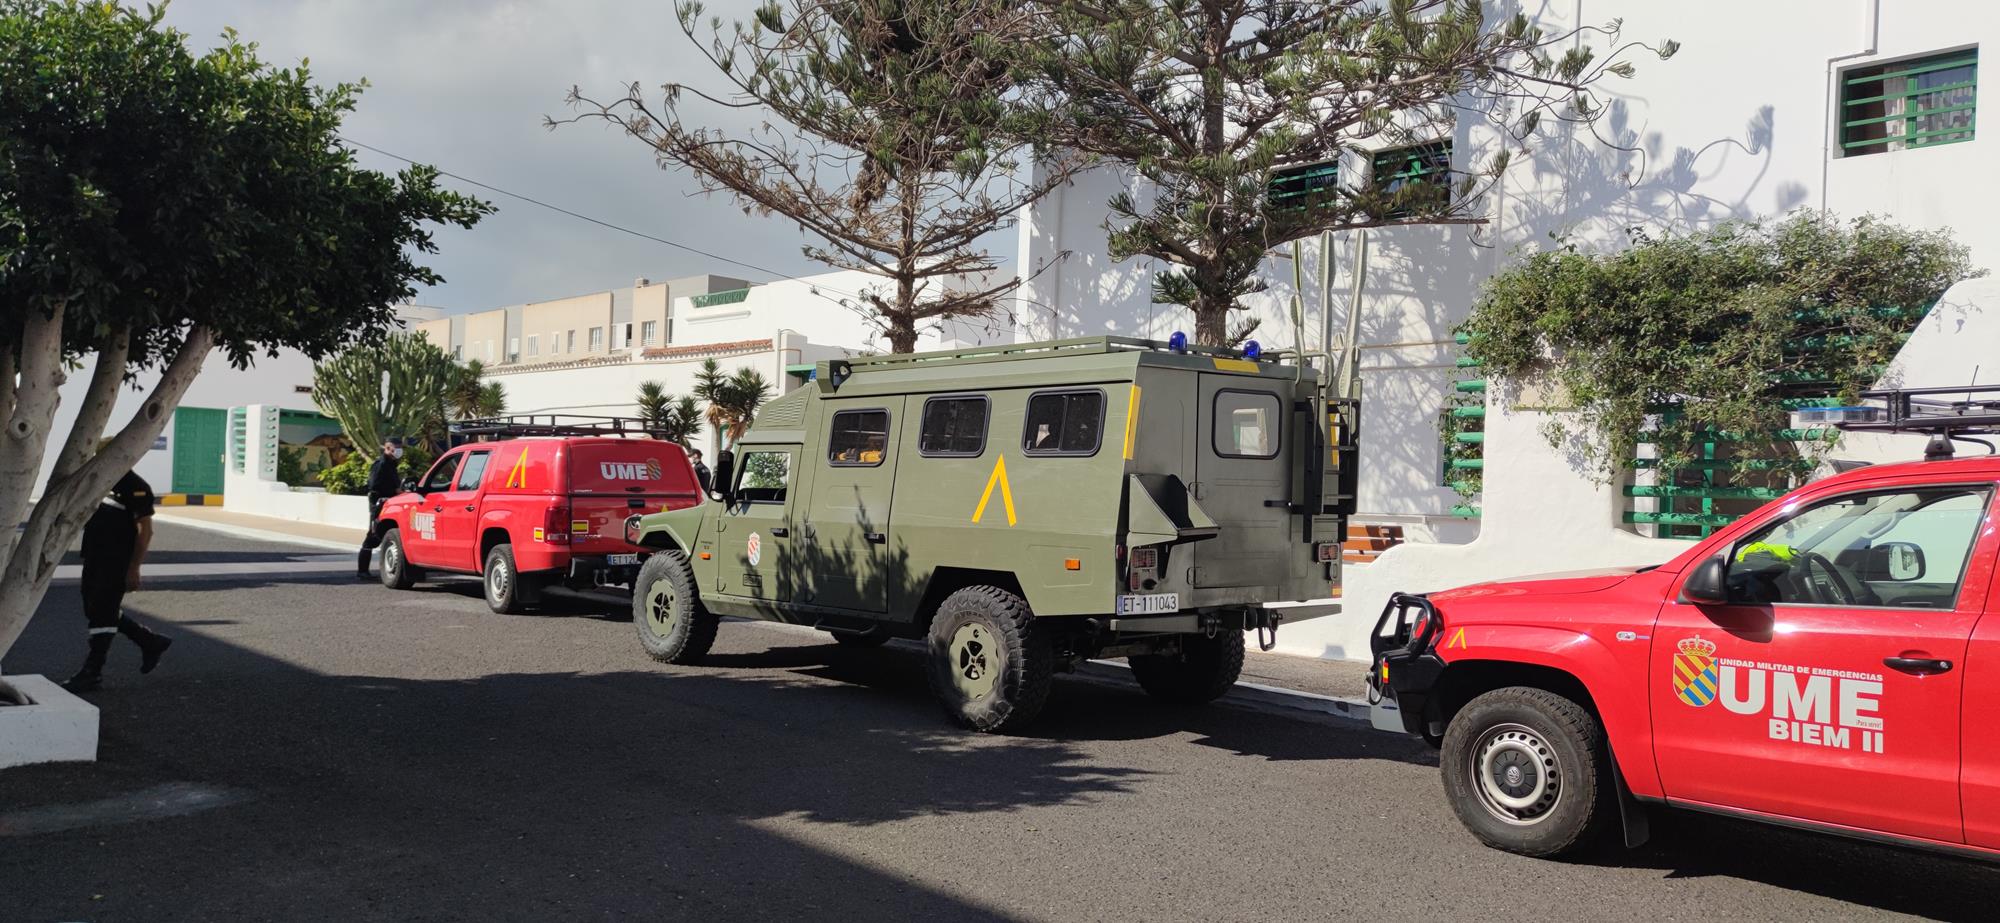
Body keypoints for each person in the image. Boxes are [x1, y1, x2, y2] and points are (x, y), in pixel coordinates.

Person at [64, 467, 171, 692]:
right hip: (94, 555)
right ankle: (149, 641)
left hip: (117, 560)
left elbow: (146, 530)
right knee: (94, 608)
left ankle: (92, 672)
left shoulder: (136, 487)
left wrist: (134, 568)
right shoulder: (101, 479)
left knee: (102, 612)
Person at [357, 438, 406, 579]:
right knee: (373, 535)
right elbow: (373, 485)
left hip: (389, 503)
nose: (399, 450)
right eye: (396, 447)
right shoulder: (381, 464)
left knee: (384, 535)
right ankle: (362, 570)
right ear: (388, 448)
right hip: (379, 504)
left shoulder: (391, 464)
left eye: (400, 447)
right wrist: (393, 491)